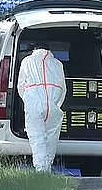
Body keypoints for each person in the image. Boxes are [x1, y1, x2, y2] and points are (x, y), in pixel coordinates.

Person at [17, 43, 67, 172]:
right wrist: (56, 104)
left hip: (34, 105)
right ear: (49, 51)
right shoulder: (58, 64)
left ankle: (41, 170)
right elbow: (63, 89)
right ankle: (47, 167)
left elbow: (21, 85)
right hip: (53, 106)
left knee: (37, 138)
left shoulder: (27, 61)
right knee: (51, 138)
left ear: (34, 50)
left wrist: (28, 100)